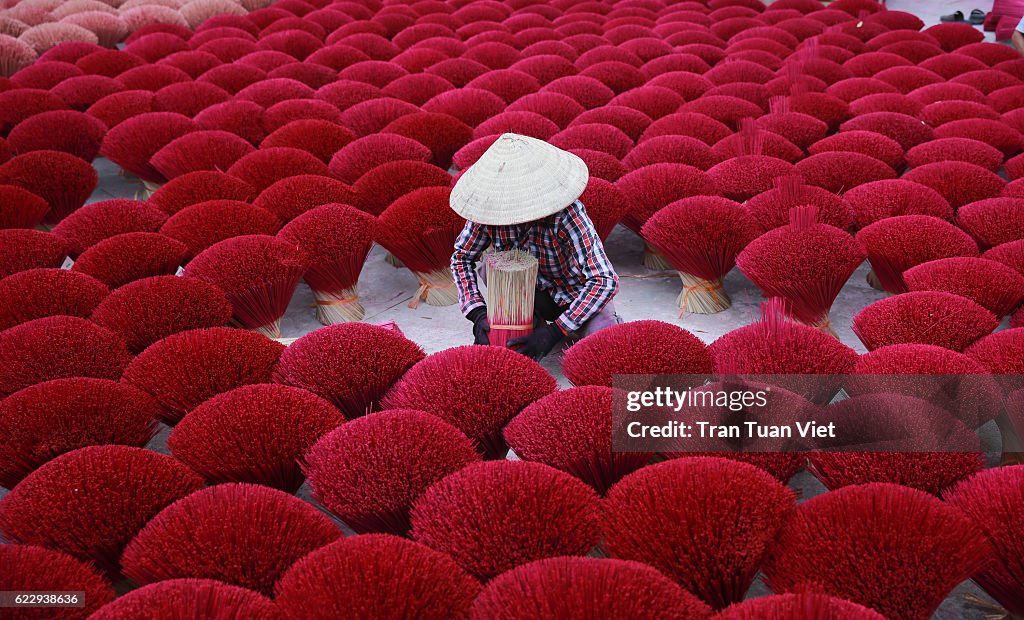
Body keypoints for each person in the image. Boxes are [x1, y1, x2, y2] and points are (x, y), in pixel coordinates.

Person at [449, 133, 620, 361]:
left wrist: (555, 331)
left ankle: (554, 324)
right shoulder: (489, 211)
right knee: (488, 269)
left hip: (573, 294)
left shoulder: (567, 214)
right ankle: (530, 319)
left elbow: (605, 281)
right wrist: (476, 311)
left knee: (606, 340)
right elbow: (461, 257)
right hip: (523, 293)